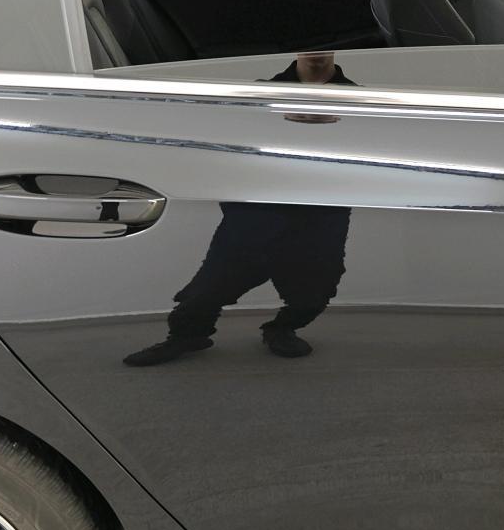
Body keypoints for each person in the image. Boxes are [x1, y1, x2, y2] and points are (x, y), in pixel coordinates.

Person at [124, 53, 354, 367]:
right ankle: (186, 337)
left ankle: (282, 329)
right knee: (207, 290)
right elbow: (225, 148)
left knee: (315, 293)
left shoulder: (360, 100)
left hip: (320, 219)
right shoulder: (256, 95)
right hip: (256, 216)